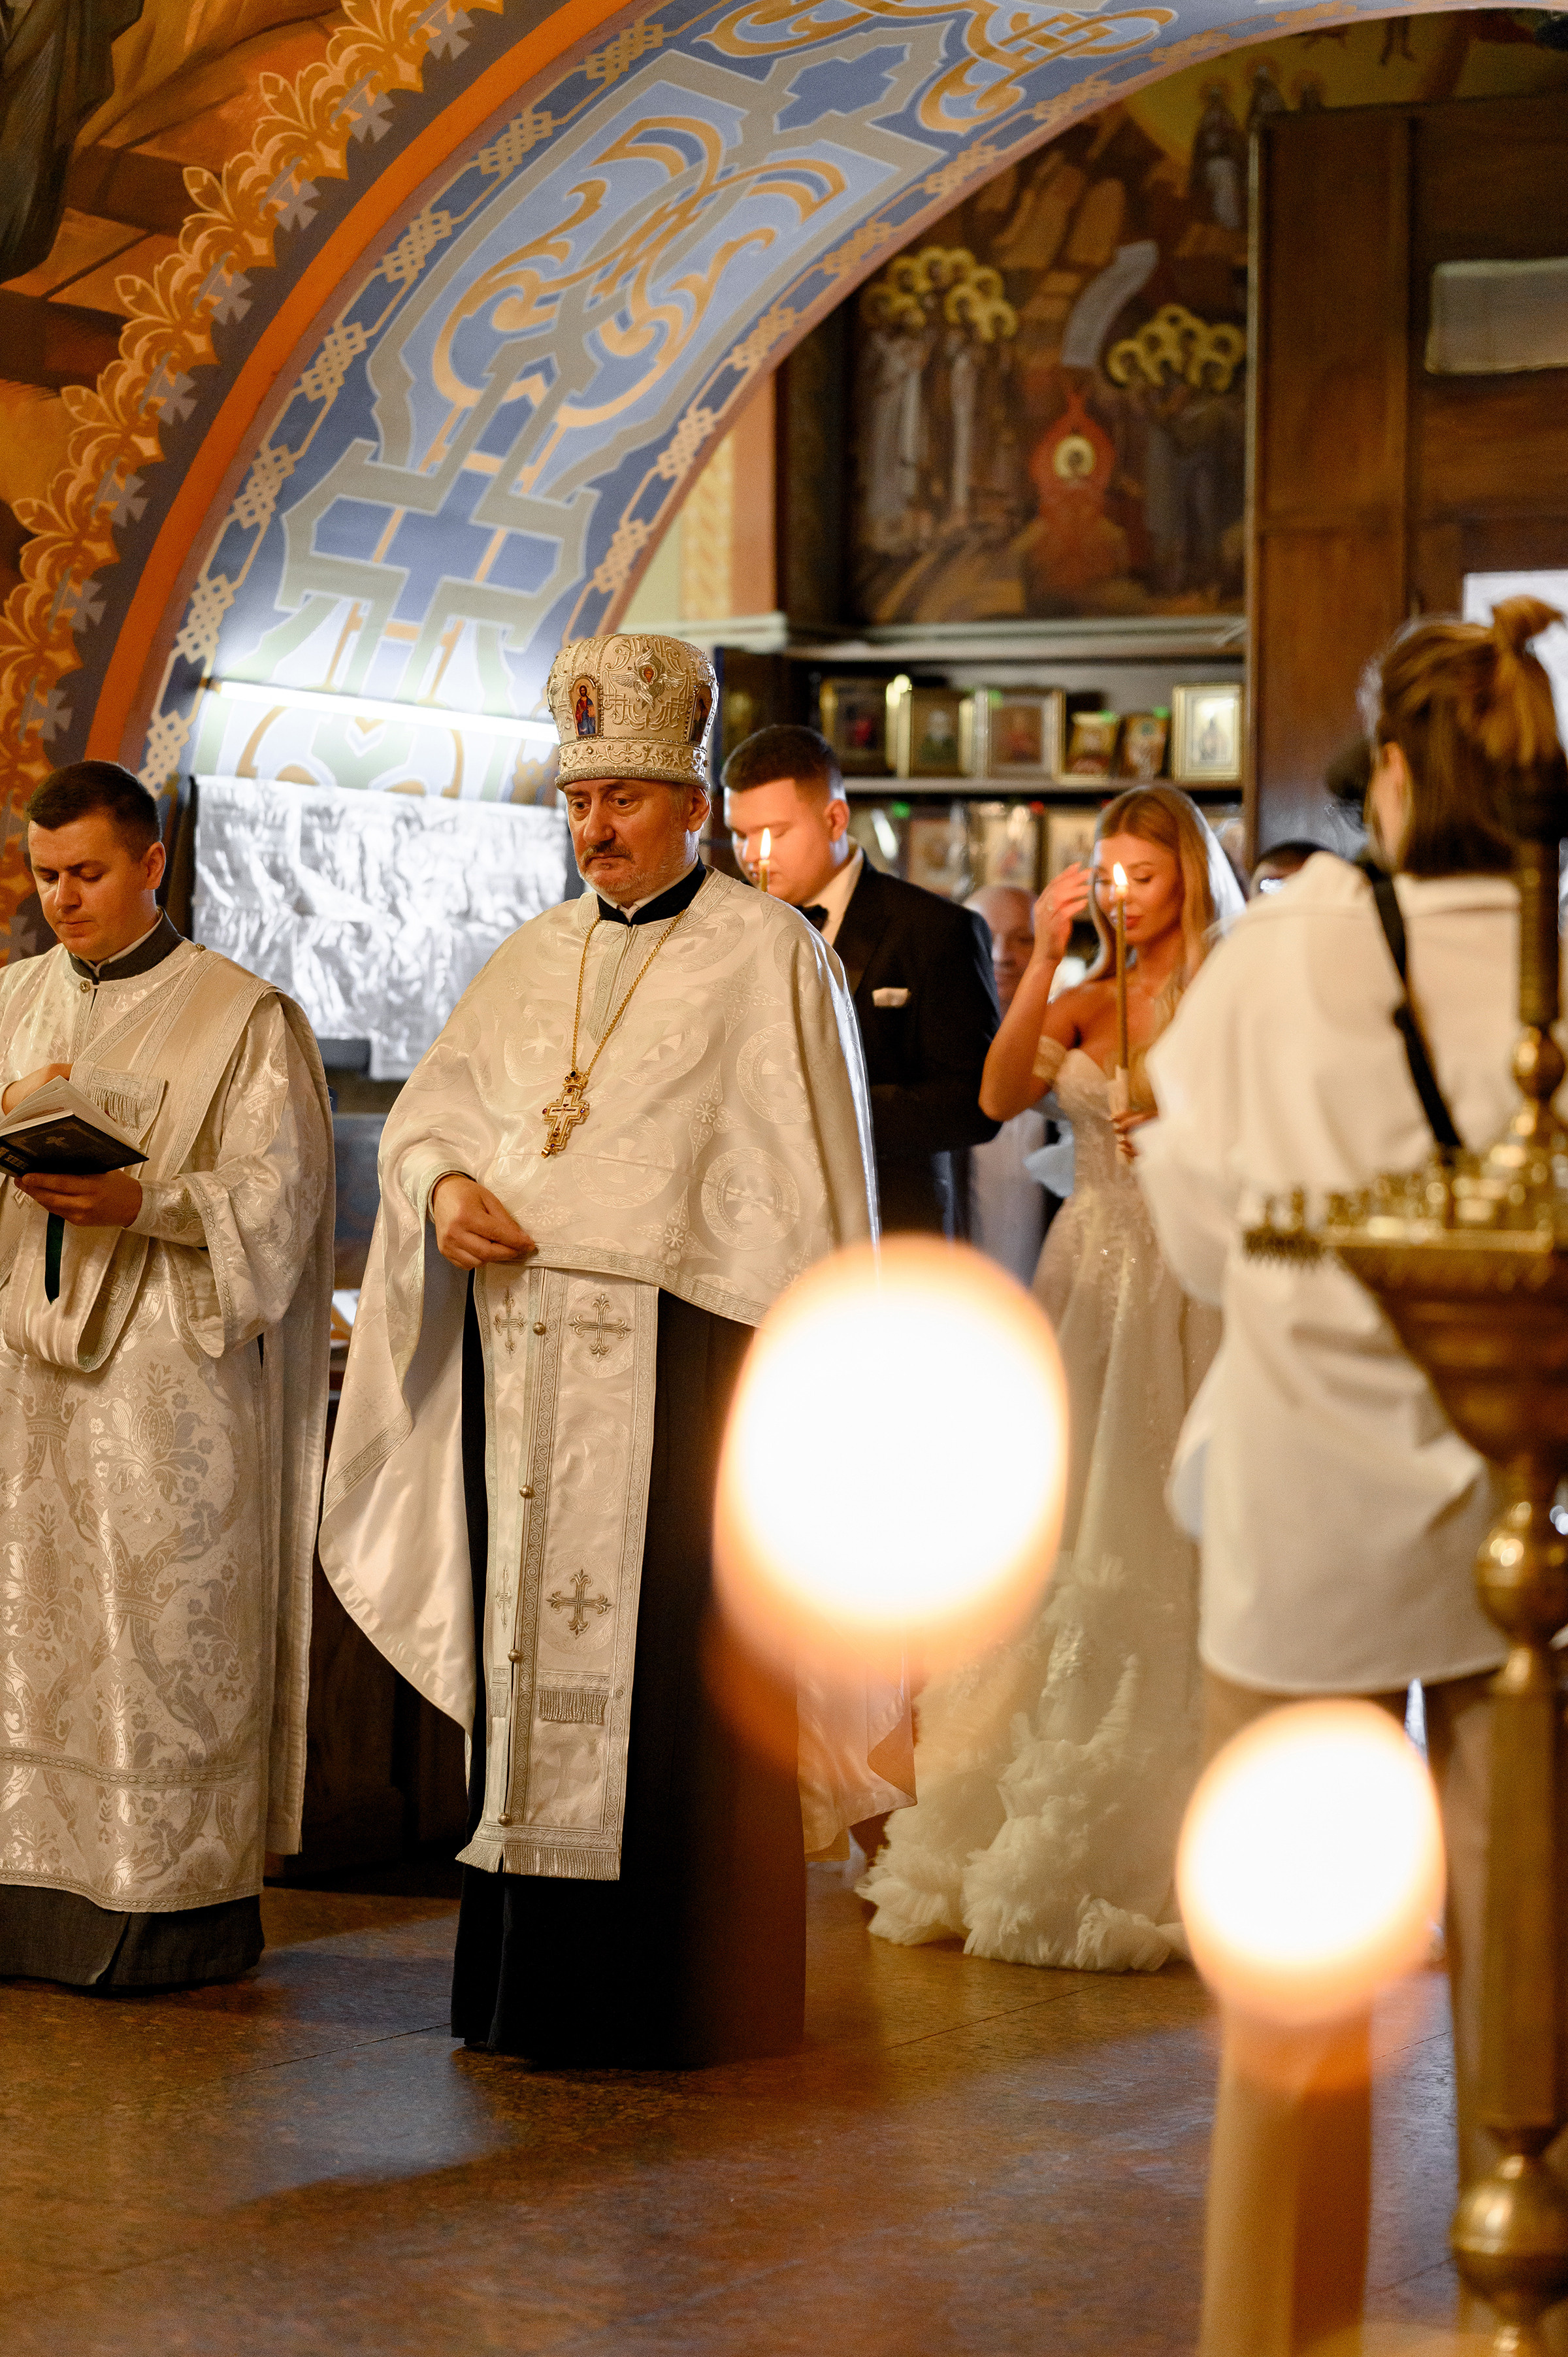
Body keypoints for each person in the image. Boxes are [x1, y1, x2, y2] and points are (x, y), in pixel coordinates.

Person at [321, 634, 911, 2069]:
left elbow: (812, 1191)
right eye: (580, 805)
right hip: (528, 1377)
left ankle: (685, 1999)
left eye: (627, 801)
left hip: (690, 1373)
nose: (597, 828)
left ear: (693, 804)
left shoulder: (771, 957)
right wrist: (446, 1193)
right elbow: (434, 1126)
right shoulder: (532, 958)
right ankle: (533, 1991)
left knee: (682, 1690)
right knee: (536, 1683)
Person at [1135, 598, 1563, 2354]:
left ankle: (1277, 2325)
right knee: (1528, 1971)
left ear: (1389, 769)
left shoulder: (1288, 948)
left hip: (1299, 1498)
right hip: (1516, 1515)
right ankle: (1517, 2304)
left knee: (1297, 1969)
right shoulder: (1556, 957)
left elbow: (1199, 1229)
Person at [859, 785, 1243, 1970]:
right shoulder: (1088, 997)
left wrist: (1193, 1138)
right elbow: (993, 1095)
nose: (1127, 892)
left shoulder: (1231, 994)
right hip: (1089, 1276)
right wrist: (1054, 956)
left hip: (1192, 1275)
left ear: (1188, 876)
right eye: (1110, 872)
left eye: (1146, 874)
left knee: (1173, 1526)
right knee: (1058, 1520)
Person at [0, 760, 333, 1990]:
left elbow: (281, 1204)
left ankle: (158, 1906)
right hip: (20, 1384)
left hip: (162, 1387)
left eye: (88, 873)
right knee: (24, 1628)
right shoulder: (12, 999)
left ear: (152, 862)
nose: (63, 901)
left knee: (152, 1627)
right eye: (44, 876)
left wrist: (145, 1198)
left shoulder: (240, 1019)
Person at [722, 723, 1001, 1235]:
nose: (753, 856)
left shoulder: (936, 930)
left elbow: (973, 1104)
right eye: (740, 834)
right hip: (754, 1227)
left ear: (835, 819)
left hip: (891, 1226)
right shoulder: (721, 929)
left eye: (774, 833)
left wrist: (825, 1106)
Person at [960, 883, 1049, 1284]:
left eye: (1023, 939)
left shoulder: (1074, 1038)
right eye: (984, 937)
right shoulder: (936, 1046)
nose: (1002, 955)